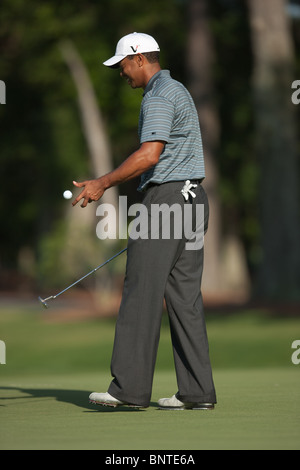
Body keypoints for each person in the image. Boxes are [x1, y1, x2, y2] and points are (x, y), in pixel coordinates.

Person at [72, 32, 217, 410]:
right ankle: (197, 393)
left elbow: (149, 154)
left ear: (139, 58)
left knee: (141, 291)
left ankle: (128, 391)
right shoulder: (177, 89)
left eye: (122, 64)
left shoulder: (157, 95)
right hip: (192, 200)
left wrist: (102, 183)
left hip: (166, 199)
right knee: (184, 299)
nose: (121, 72)